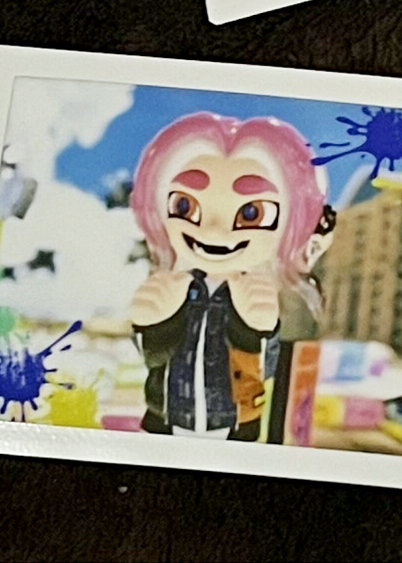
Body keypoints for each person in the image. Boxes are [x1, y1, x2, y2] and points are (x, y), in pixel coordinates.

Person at [125, 113, 335, 440]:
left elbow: (268, 370)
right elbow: (150, 357)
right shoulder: (176, 285)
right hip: (163, 422)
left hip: (235, 427)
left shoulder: (265, 293)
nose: (213, 231)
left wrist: (256, 329)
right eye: (184, 206)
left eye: (252, 213)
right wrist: (153, 323)